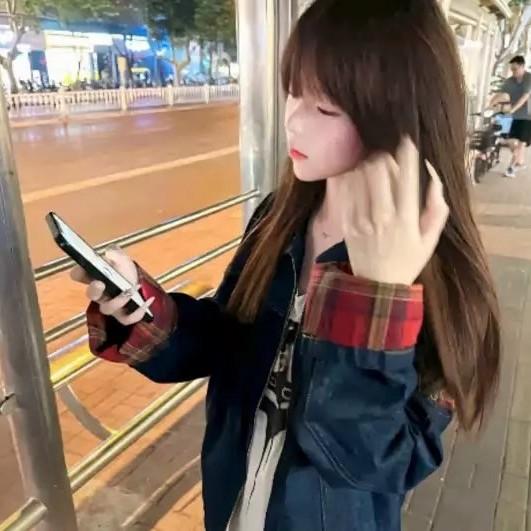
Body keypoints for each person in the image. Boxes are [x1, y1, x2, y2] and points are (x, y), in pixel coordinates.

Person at [71, 1, 501, 530]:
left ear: (400, 118)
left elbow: (376, 462)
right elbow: (229, 339)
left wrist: (379, 298)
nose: (293, 120)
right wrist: (141, 307)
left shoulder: (443, 275)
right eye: (293, 91)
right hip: (233, 507)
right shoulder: (280, 216)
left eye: (325, 109)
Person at [489, 55, 531, 178]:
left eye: (515, 69)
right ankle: (519, 161)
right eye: (512, 69)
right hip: (510, 116)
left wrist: (512, 110)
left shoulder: (529, 79)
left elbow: (525, 97)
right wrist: (490, 104)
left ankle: (511, 168)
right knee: (506, 139)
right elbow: (500, 94)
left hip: (527, 116)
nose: (513, 72)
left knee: (521, 143)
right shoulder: (509, 81)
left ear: (522, 67)